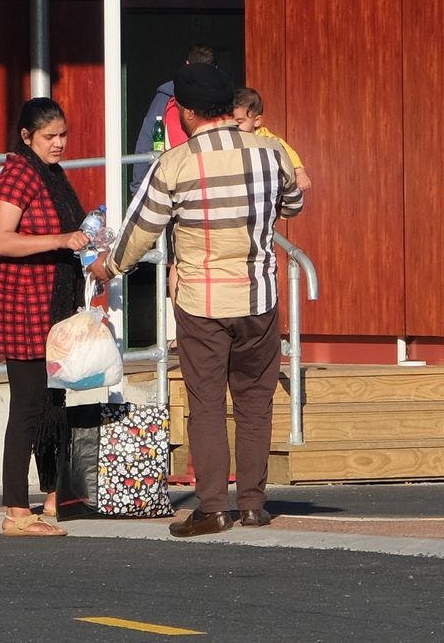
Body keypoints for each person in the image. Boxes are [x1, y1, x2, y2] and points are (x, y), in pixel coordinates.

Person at [89, 62, 302, 537]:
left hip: (202, 299)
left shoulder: (177, 163)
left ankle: (212, 507)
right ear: (230, 105)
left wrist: (109, 266)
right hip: (259, 296)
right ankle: (252, 504)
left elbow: (142, 229)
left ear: (185, 113)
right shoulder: (271, 153)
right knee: (255, 401)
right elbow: (293, 204)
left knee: (206, 403)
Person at [0, 97, 92, 537]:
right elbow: (1, 241)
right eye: (50, 136)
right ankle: (15, 510)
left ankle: (53, 493)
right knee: (28, 405)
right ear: (27, 137)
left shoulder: (53, 175)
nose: (60, 143)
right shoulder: (18, 173)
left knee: (55, 403)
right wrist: (60, 239)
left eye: (64, 135)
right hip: (24, 305)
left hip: (55, 302)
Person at [130, 43, 214, 188]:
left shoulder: (165, 98)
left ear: (187, 64)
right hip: (208, 181)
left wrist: (138, 187)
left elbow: (145, 142)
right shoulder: (221, 100)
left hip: (175, 181)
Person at [231, 86, 313, 191]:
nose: (235, 126)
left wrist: (300, 173)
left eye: (239, 122)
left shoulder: (267, 139)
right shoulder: (232, 136)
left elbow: (289, 152)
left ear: (257, 121)